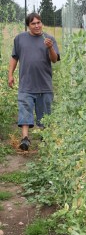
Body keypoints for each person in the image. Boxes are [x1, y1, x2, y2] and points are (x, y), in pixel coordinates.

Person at [8, 12, 60, 151]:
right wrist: (10, 75)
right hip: (26, 84)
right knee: (25, 110)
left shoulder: (49, 39)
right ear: (28, 26)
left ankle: (45, 137)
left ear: (42, 23)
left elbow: (54, 60)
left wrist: (50, 47)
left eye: (39, 22)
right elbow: (14, 57)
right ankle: (25, 139)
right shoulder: (20, 39)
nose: (37, 26)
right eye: (33, 23)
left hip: (44, 84)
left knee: (44, 114)